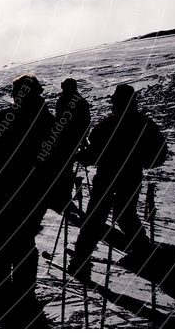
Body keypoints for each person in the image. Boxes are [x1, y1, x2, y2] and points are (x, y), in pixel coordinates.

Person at [0, 75, 56, 320]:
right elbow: (57, 156)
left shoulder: (6, 118)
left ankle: (0, 286)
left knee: (2, 236)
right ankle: (20, 289)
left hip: (7, 187)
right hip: (32, 190)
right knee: (21, 238)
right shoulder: (47, 121)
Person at [69, 84, 167, 283]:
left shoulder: (107, 126)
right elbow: (160, 153)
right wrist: (142, 161)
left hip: (107, 177)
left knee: (96, 219)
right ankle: (143, 253)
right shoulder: (144, 124)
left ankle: (81, 263)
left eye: (115, 102)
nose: (113, 106)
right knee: (125, 215)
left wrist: (81, 156)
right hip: (130, 177)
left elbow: (93, 154)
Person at [42, 78, 91, 214]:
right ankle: (62, 197)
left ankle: (62, 197)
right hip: (68, 139)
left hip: (65, 140)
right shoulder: (79, 101)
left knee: (62, 168)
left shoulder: (67, 100)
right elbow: (85, 122)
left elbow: (81, 122)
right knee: (64, 168)